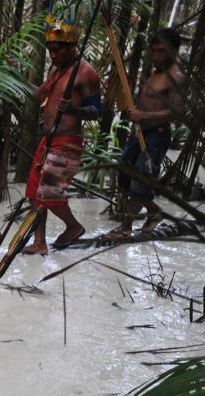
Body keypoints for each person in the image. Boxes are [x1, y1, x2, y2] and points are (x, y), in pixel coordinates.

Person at [22, 15, 102, 256]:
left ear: (71, 47)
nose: (52, 55)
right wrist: (15, 78)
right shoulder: (55, 70)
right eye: (50, 50)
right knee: (34, 194)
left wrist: (74, 110)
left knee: (51, 195)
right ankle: (40, 242)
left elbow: (97, 111)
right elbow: (39, 95)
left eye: (57, 50)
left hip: (67, 142)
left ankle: (74, 226)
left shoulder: (86, 72)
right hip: (48, 140)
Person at [107, 28, 187, 239]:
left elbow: (177, 112)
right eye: (153, 51)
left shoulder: (176, 76)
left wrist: (144, 116)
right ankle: (153, 210)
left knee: (140, 179)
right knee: (124, 173)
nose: (156, 56)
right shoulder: (154, 72)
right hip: (139, 132)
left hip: (156, 135)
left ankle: (126, 226)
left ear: (174, 50)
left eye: (161, 51)